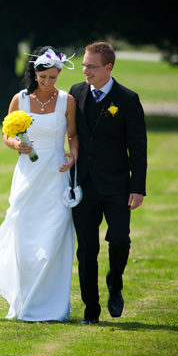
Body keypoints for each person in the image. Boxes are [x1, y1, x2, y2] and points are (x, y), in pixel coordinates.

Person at [0, 46, 79, 322]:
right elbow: (6, 134)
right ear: (35, 73)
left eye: (54, 77)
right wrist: (16, 143)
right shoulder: (20, 100)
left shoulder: (67, 101)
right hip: (28, 173)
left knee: (53, 237)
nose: (49, 82)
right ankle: (24, 299)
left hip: (55, 173)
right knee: (25, 238)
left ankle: (52, 305)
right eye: (44, 77)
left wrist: (72, 156)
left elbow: (73, 135)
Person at [69, 42, 147, 325]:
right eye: (84, 65)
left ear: (108, 67)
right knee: (86, 250)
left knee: (120, 241)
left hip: (117, 185)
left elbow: (138, 147)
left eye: (91, 66)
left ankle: (115, 284)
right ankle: (91, 311)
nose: (85, 70)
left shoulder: (127, 99)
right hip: (83, 186)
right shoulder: (75, 93)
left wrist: (137, 187)